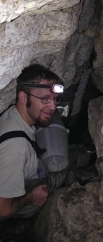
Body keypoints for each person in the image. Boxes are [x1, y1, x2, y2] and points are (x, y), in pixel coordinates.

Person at [0, 64, 64, 220]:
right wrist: (31, 198)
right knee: (66, 165)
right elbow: (3, 211)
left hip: (21, 168)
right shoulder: (16, 148)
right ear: (23, 97)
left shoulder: (12, 113)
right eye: (45, 99)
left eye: (55, 99)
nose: (53, 106)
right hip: (23, 201)